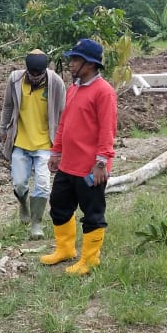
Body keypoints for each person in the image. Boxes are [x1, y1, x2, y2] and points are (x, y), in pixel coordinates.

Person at [40, 39, 118, 275]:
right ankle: (65, 249)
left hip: (90, 168)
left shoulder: (104, 92)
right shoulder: (74, 88)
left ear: (91, 64)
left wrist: (102, 162)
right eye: (71, 59)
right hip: (67, 164)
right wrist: (57, 151)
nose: (71, 64)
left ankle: (90, 259)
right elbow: (65, 123)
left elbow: (108, 129)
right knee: (59, 206)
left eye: (76, 59)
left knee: (93, 214)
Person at [0, 48, 67, 238]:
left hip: (45, 144)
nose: (35, 78)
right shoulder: (15, 79)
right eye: (32, 74)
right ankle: (23, 204)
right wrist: (3, 129)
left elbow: (63, 113)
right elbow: (7, 106)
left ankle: (36, 224)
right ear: (26, 70)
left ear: (45, 70)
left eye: (39, 75)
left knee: (43, 185)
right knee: (20, 184)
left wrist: (60, 145)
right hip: (20, 142)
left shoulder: (55, 82)